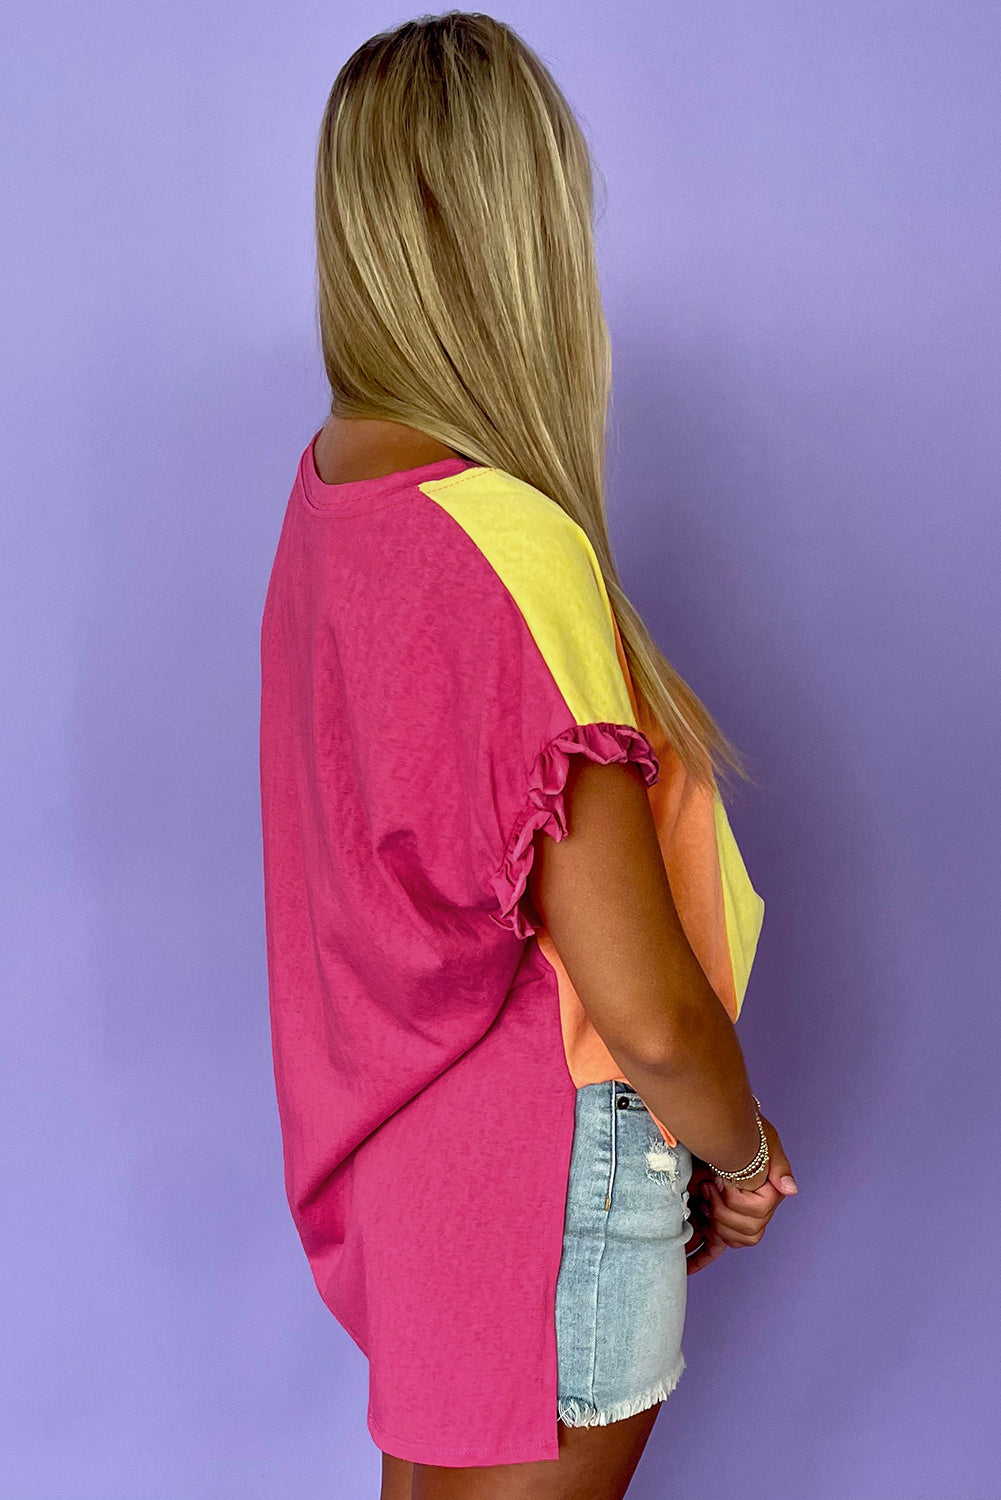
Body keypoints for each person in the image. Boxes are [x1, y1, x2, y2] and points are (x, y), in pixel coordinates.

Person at [258, 12, 798, 1499]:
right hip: (548, 1172)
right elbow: (649, 1012)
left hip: (420, 1165)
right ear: (525, 236)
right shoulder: (510, 544)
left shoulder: (329, 497)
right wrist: (740, 1156)